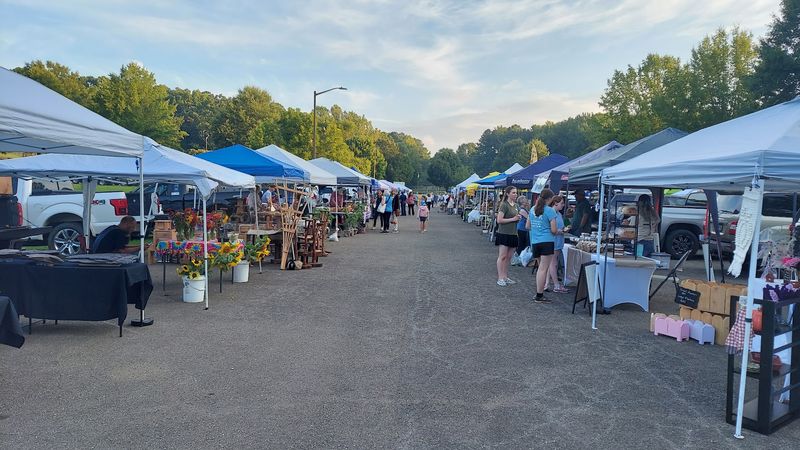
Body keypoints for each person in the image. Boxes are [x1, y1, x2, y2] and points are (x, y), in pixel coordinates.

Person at [527, 188, 557, 303]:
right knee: (543, 269)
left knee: (540, 268)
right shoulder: (550, 211)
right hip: (547, 241)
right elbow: (554, 230)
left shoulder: (532, 209)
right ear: (549, 199)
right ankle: (539, 294)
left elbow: (527, 226)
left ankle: (539, 293)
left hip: (535, 241)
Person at [495, 186, 524, 286]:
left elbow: (517, 217)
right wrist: (513, 219)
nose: (515, 194)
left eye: (516, 193)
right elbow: (499, 220)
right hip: (504, 233)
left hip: (513, 233)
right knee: (502, 256)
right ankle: (500, 278)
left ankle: (505, 276)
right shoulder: (504, 205)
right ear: (507, 194)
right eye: (513, 193)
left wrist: (518, 218)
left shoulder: (516, 205)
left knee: (508, 257)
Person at [544, 195, 569, 293]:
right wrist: (560, 231)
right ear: (555, 203)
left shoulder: (558, 214)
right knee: (553, 263)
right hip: (553, 240)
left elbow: (559, 226)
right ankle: (556, 285)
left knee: (551, 263)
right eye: (561, 203)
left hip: (558, 241)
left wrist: (564, 229)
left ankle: (546, 284)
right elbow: (550, 228)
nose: (563, 205)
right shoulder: (551, 213)